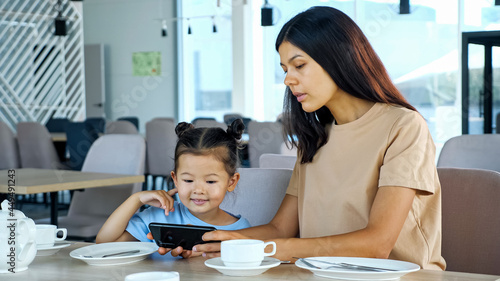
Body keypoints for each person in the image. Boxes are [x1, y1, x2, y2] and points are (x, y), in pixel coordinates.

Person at [191, 6, 446, 270]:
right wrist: (218, 243)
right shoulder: (314, 137)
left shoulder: (403, 126)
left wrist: (272, 249)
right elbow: (280, 228)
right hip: (323, 274)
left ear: (339, 58)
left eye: (299, 65)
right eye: (285, 69)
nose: (288, 79)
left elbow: (377, 244)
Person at [96, 119, 251, 258]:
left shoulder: (240, 231)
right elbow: (104, 244)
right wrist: (136, 199)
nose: (198, 190)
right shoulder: (161, 217)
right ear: (175, 179)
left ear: (231, 182)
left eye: (210, 181)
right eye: (188, 180)